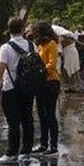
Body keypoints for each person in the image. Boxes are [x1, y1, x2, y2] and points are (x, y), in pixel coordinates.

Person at [0, 16, 36, 165]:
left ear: (8, 29)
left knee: (13, 122)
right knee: (27, 120)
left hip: (11, 88)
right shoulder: (32, 46)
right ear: (23, 29)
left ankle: (11, 153)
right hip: (28, 88)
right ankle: (26, 152)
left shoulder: (6, 47)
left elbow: (0, 70)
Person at [30, 21, 61, 157]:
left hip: (51, 82)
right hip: (40, 82)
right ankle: (43, 144)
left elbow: (52, 64)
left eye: (36, 33)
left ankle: (53, 146)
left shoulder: (52, 44)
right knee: (42, 115)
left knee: (50, 115)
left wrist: (41, 70)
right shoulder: (40, 46)